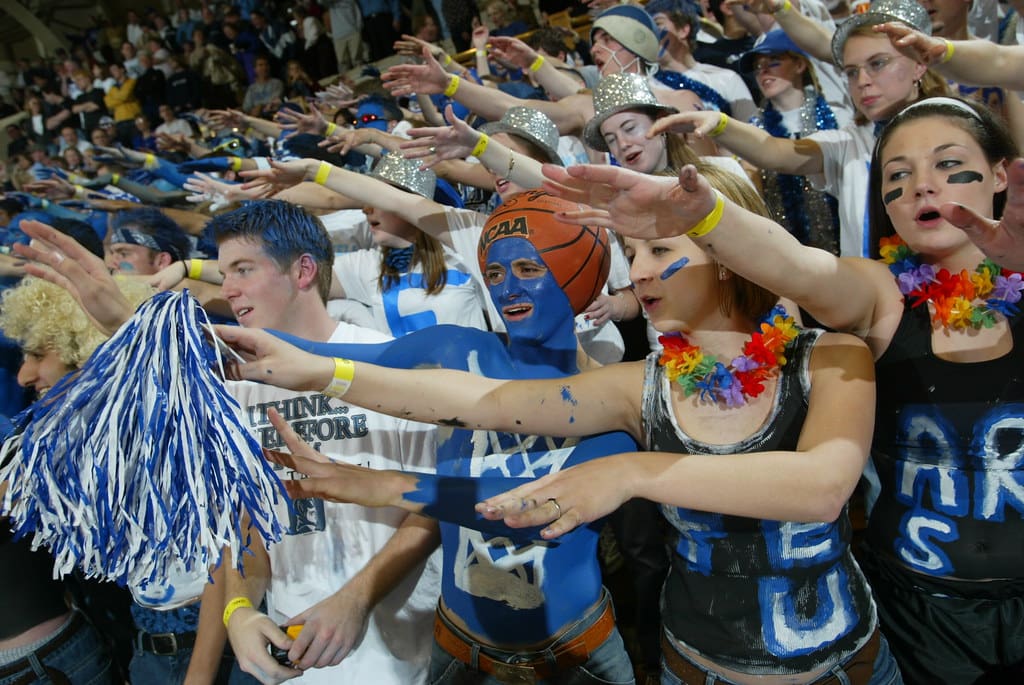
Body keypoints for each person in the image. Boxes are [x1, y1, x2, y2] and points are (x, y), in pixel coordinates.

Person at [212, 169, 898, 685]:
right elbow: (459, 395)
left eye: (658, 250)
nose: (641, 271)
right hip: (654, 656)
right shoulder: (627, 384)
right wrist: (308, 365)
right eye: (496, 273)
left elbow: (819, 485)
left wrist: (389, 483)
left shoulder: (813, 356)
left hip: (768, 653)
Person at [25, 191, 640, 684]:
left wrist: (378, 489)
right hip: (414, 647)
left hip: (529, 651)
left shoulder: (615, 399)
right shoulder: (454, 351)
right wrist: (126, 322)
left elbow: (523, 513)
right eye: (497, 271)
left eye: (530, 268)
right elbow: (291, 371)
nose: (508, 287)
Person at [528, 96, 1024, 684]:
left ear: (1000, 172)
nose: (922, 186)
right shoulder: (879, 294)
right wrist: (704, 214)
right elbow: (794, 266)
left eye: (947, 164)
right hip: (919, 609)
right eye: (897, 174)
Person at [13, 203, 444, 685]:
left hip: (394, 658)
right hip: (288, 652)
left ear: (302, 269)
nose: (229, 289)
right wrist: (239, 607)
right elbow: (247, 521)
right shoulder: (236, 384)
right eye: (223, 274)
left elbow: (433, 509)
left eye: (243, 270)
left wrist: (355, 597)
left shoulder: (388, 364)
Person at [647, 0, 947, 256]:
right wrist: (719, 125)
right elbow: (775, 151)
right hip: (879, 305)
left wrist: (783, 8)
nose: (862, 81)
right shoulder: (849, 142)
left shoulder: (958, 125)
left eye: (877, 64)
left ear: (920, 64)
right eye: (852, 72)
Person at [741, 30, 846, 253]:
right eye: (758, 66)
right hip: (786, 250)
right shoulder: (751, 130)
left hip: (845, 242)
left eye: (773, 62)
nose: (764, 71)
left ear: (799, 65)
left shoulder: (838, 116)